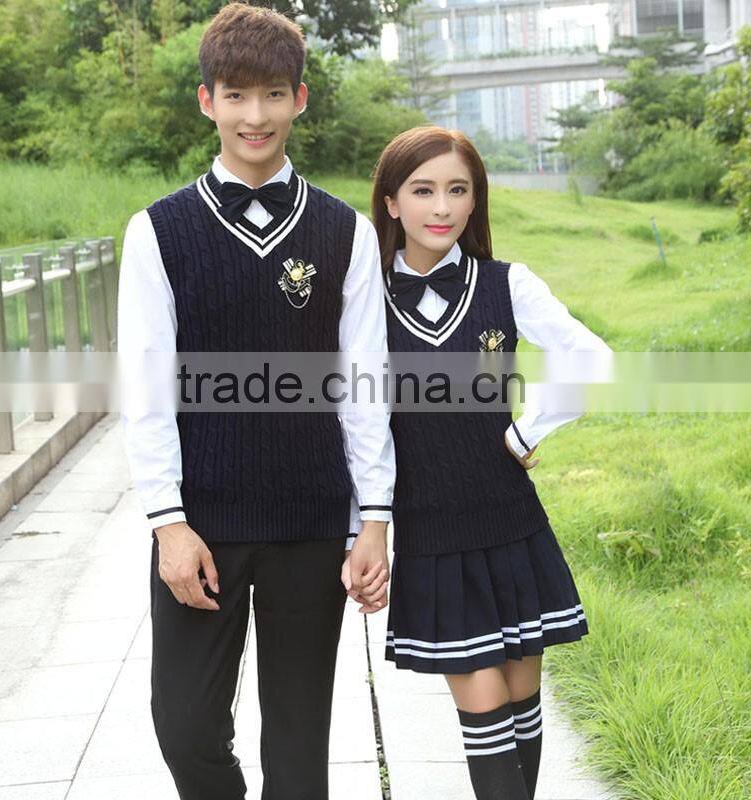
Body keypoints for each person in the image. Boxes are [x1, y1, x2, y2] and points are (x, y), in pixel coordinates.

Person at [117, 4, 394, 799]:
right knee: (185, 725)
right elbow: (146, 387)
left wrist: (374, 520)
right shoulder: (157, 231)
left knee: (300, 748)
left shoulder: (345, 232)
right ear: (207, 101)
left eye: (273, 94)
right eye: (236, 95)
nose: (256, 115)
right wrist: (167, 523)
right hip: (201, 523)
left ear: (299, 99)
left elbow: (365, 386)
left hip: (310, 520)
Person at [363, 126, 612, 800]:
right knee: (481, 696)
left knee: (521, 697)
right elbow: (360, 424)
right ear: (391, 202)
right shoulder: (364, 300)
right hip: (432, 529)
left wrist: (528, 431)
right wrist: (366, 526)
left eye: (458, 189)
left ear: (476, 201)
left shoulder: (507, 283)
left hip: (510, 520)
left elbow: (593, 357)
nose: (442, 206)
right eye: (423, 190)